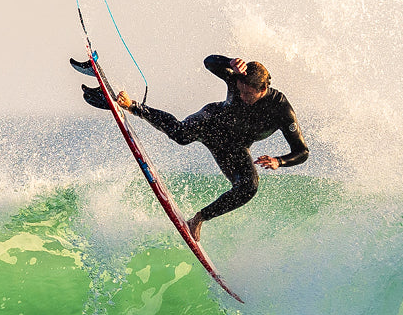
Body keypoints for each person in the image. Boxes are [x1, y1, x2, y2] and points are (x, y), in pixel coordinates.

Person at [82, 55, 308, 241]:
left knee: (248, 187)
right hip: (212, 121)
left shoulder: (281, 109)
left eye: (248, 94)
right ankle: (133, 106)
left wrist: (279, 161)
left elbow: (302, 152)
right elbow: (209, 62)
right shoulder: (237, 78)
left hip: (233, 148)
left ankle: (198, 219)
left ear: (264, 88)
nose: (242, 96)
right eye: (239, 91)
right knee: (181, 134)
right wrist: (229, 63)